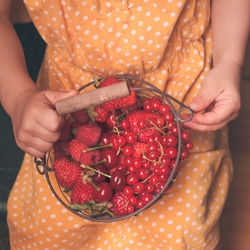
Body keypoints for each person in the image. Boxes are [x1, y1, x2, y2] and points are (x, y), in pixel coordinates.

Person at [0, 0, 249, 249]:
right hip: (72, 102)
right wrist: (19, 97)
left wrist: (229, 62)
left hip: (179, 92)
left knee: (178, 233)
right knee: (52, 232)